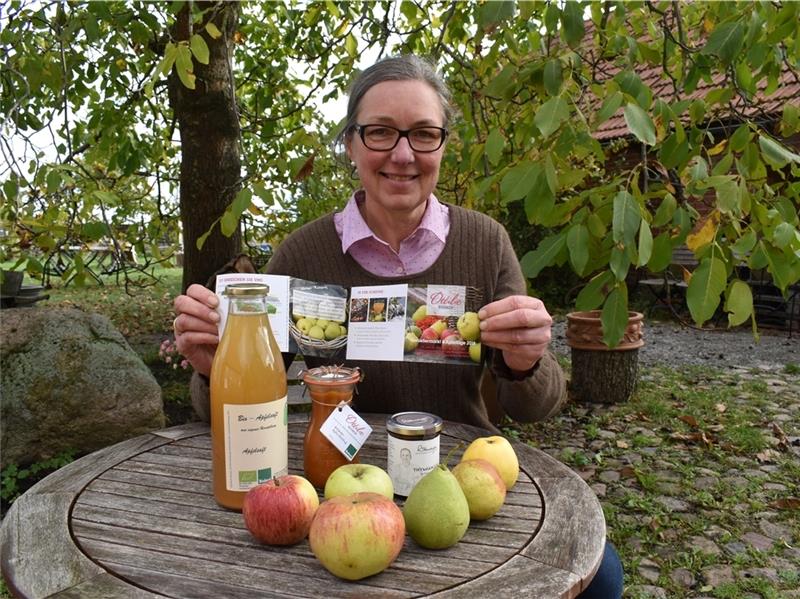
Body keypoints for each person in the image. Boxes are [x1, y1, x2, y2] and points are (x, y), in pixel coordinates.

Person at [173, 55, 622, 598]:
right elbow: (232, 411)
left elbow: (537, 406)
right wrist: (211, 366)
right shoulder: (302, 253)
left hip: (457, 480)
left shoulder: (485, 242)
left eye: (423, 134)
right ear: (351, 144)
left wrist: (527, 360)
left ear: (442, 145)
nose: (403, 155)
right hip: (336, 483)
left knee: (602, 582)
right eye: (381, 132)